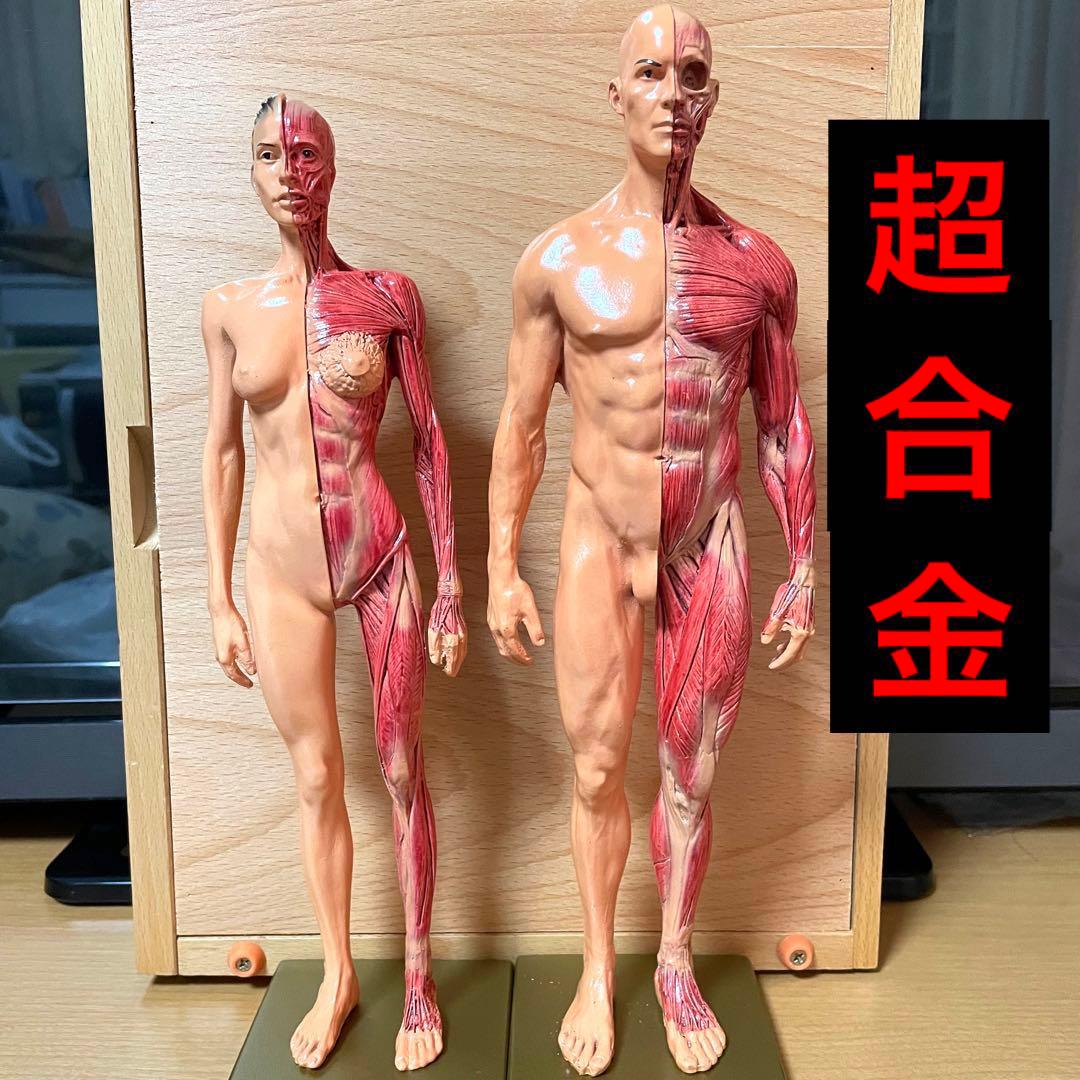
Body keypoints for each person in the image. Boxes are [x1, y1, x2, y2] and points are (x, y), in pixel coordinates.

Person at [487, 8, 816, 1074]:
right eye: (651, 73)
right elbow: (523, 425)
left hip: (706, 539)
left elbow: (782, 422)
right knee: (594, 770)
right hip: (599, 533)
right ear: (617, 94)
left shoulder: (757, 266)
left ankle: (672, 959)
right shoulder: (557, 261)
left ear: (712, 97)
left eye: (693, 74)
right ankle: (597, 967)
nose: (674, 93)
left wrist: (803, 564)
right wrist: (498, 568)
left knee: (693, 772)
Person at [202, 94, 465, 1072]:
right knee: (315, 775)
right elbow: (222, 451)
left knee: (401, 767)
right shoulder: (228, 309)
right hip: (278, 572)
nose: (290, 172)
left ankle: (421, 977)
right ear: (252, 169)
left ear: (333, 167)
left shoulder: (386, 297)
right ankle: (340, 974)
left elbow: (430, 440)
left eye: (306, 152)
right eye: (271, 154)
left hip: (378, 554)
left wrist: (450, 585)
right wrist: (218, 596)